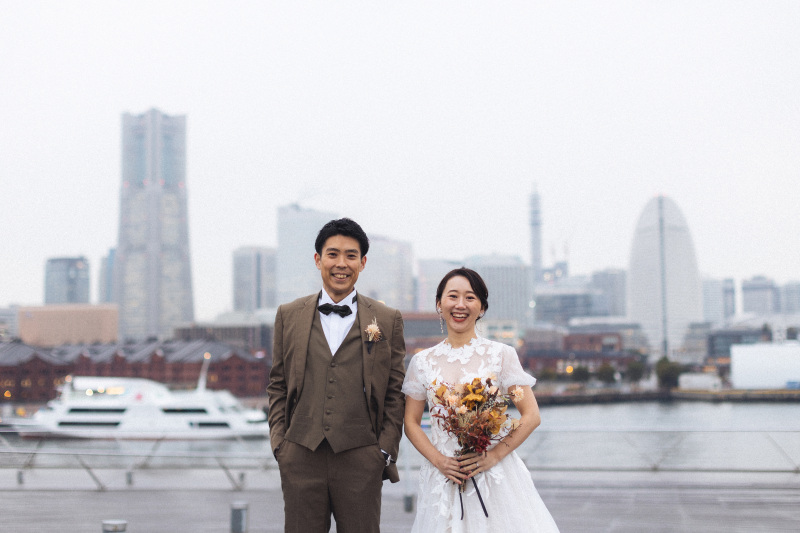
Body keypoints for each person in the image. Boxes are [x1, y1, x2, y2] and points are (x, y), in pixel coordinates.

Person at [267, 218, 406, 533]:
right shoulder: (288, 316)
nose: (341, 264)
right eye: (332, 254)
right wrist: (281, 445)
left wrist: (383, 451)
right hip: (300, 454)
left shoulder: (387, 319)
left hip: (362, 458)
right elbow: (277, 385)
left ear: (363, 262)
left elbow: (395, 392)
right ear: (318, 260)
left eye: (351, 255)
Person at [402, 267, 560, 532]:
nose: (460, 305)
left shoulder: (501, 354)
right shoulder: (422, 362)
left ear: (482, 307)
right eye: (452, 296)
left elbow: (532, 416)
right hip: (442, 477)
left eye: (470, 297)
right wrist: (440, 462)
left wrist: (494, 456)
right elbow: (411, 422)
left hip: (493, 476)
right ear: (439, 304)